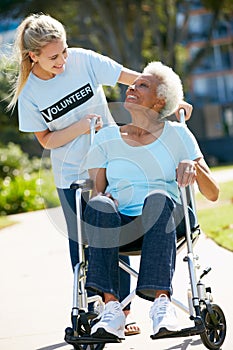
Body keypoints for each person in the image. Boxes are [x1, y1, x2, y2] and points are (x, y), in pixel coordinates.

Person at [7, 13, 193, 336]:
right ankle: (97, 307)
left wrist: (174, 100)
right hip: (70, 173)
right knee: (82, 243)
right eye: (54, 57)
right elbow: (46, 139)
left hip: (113, 160)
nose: (63, 60)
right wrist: (80, 125)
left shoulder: (84, 61)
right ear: (33, 56)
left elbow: (135, 80)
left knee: (118, 227)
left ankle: (123, 308)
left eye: (64, 51)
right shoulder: (30, 93)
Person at [82, 61, 219, 340]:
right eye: (132, 83)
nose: (131, 87)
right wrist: (100, 198)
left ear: (160, 100)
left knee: (157, 197)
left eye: (142, 85)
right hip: (122, 225)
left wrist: (192, 166)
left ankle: (162, 305)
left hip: (167, 219)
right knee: (99, 205)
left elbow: (213, 193)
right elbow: (98, 191)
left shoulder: (179, 134)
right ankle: (112, 310)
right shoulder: (106, 137)